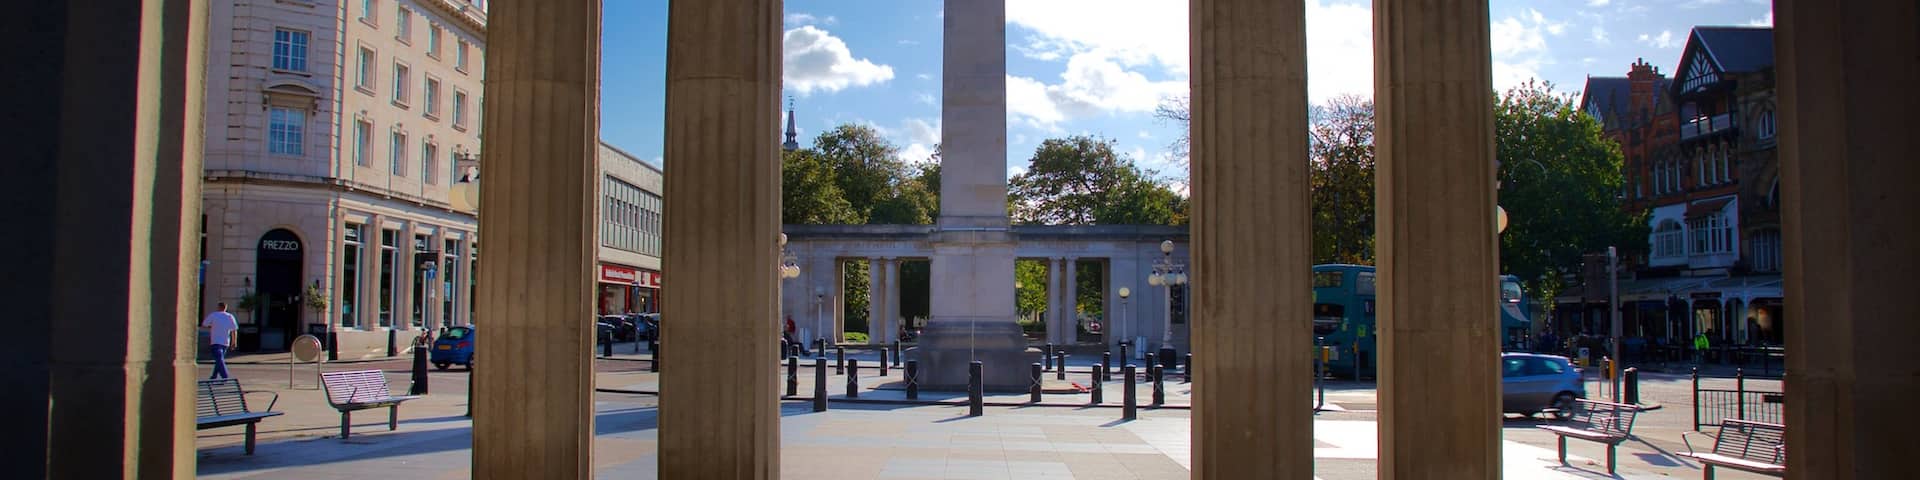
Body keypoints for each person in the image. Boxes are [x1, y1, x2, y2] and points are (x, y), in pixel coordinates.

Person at [201, 302, 239, 380]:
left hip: (215, 341)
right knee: (220, 358)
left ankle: (225, 376)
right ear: (225, 308)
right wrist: (234, 342)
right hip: (225, 342)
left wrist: (212, 326)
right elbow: (234, 330)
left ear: (218, 307)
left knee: (219, 359)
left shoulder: (214, 315)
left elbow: (204, 324)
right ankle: (214, 376)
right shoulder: (230, 316)